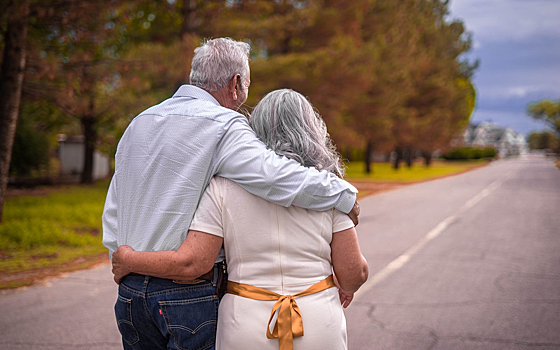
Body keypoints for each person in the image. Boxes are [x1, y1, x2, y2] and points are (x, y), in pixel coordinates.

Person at [102, 38, 360, 350]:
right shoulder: (225, 125)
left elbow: (115, 207)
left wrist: (125, 259)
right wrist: (343, 193)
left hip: (130, 293)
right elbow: (276, 177)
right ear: (235, 84)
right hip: (187, 295)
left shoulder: (139, 123)